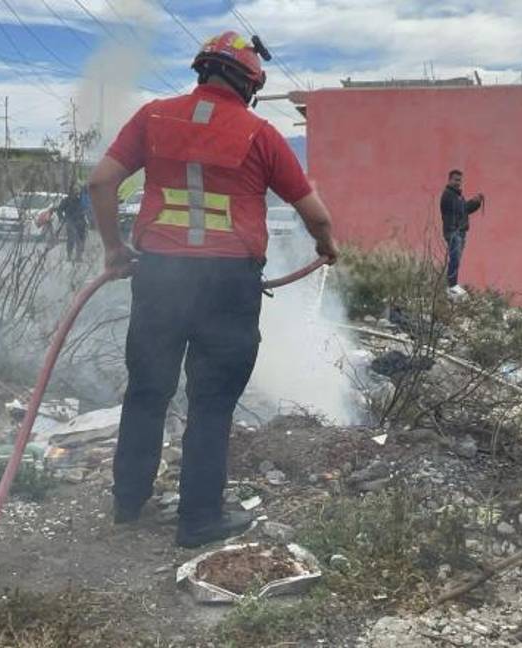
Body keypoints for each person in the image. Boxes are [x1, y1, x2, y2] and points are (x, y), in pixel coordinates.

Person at [87, 30, 339, 548]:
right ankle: (199, 520)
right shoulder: (260, 133)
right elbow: (314, 213)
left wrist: (113, 248)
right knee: (212, 402)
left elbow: (101, 181)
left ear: (202, 70)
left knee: (147, 390)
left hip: (160, 277)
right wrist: (326, 245)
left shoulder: (153, 116)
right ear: (250, 84)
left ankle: (128, 503)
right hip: (228, 284)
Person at [439, 169, 484, 297]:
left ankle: (452, 285)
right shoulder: (448, 195)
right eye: (456, 180)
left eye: (460, 180)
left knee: (456, 259)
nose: (458, 182)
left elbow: (464, 210)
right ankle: (451, 286)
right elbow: (458, 211)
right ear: (449, 180)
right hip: (454, 232)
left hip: (460, 232)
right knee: (454, 259)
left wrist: (475, 203)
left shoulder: (458, 196)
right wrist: (454, 230)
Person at [57, 185, 87, 261]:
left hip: (81, 222)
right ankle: (69, 255)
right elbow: (59, 210)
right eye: (74, 190)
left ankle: (79, 256)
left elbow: (86, 209)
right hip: (71, 222)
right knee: (71, 239)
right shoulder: (66, 200)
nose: (76, 192)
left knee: (81, 239)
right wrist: (62, 218)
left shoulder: (80, 200)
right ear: (71, 192)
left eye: (77, 190)